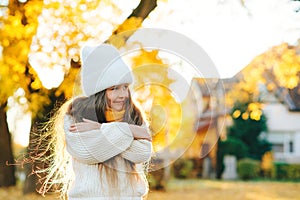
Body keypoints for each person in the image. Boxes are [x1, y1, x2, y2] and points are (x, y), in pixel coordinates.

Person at [39, 44, 152, 200]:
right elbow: (89, 152)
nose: (123, 94)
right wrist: (131, 131)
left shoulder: (134, 113)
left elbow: (141, 153)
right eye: (114, 89)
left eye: (125, 87)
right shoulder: (76, 113)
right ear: (98, 91)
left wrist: (101, 128)